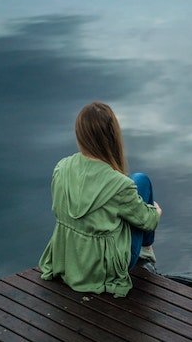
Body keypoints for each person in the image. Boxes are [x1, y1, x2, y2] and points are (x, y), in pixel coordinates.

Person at [38, 101, 163, 298]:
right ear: (112, 136)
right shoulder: (120, 185)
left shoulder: (61, 168)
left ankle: (144, 250)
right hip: (103, 271)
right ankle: (146, 251)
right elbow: (148, 222)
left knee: (132, 187)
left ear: (79, 134)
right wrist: (156, 212)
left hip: (69, 261)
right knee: (141, 180)